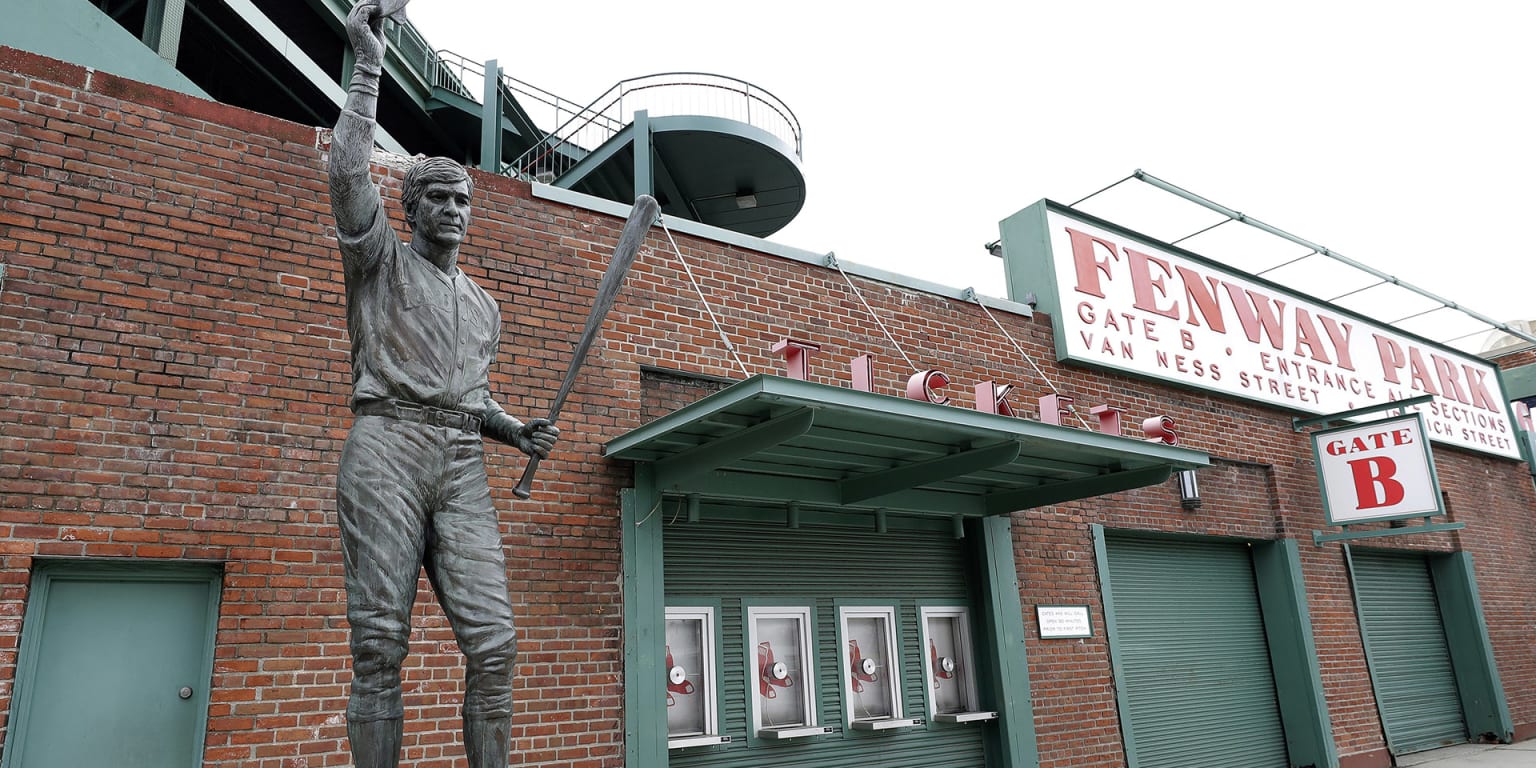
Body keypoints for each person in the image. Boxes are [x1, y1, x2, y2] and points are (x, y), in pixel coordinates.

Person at [327, 3, 559, 766]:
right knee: (379, 645)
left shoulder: (483, 305)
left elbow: (470, 392)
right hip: (386, 447)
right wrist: (367, 66)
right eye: (439, 198)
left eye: (463, 200)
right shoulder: (380, 260)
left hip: (460, 466)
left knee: (495, 646)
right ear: (412, 207)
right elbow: (347, 168)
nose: (454, 210)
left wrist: (514, 430)